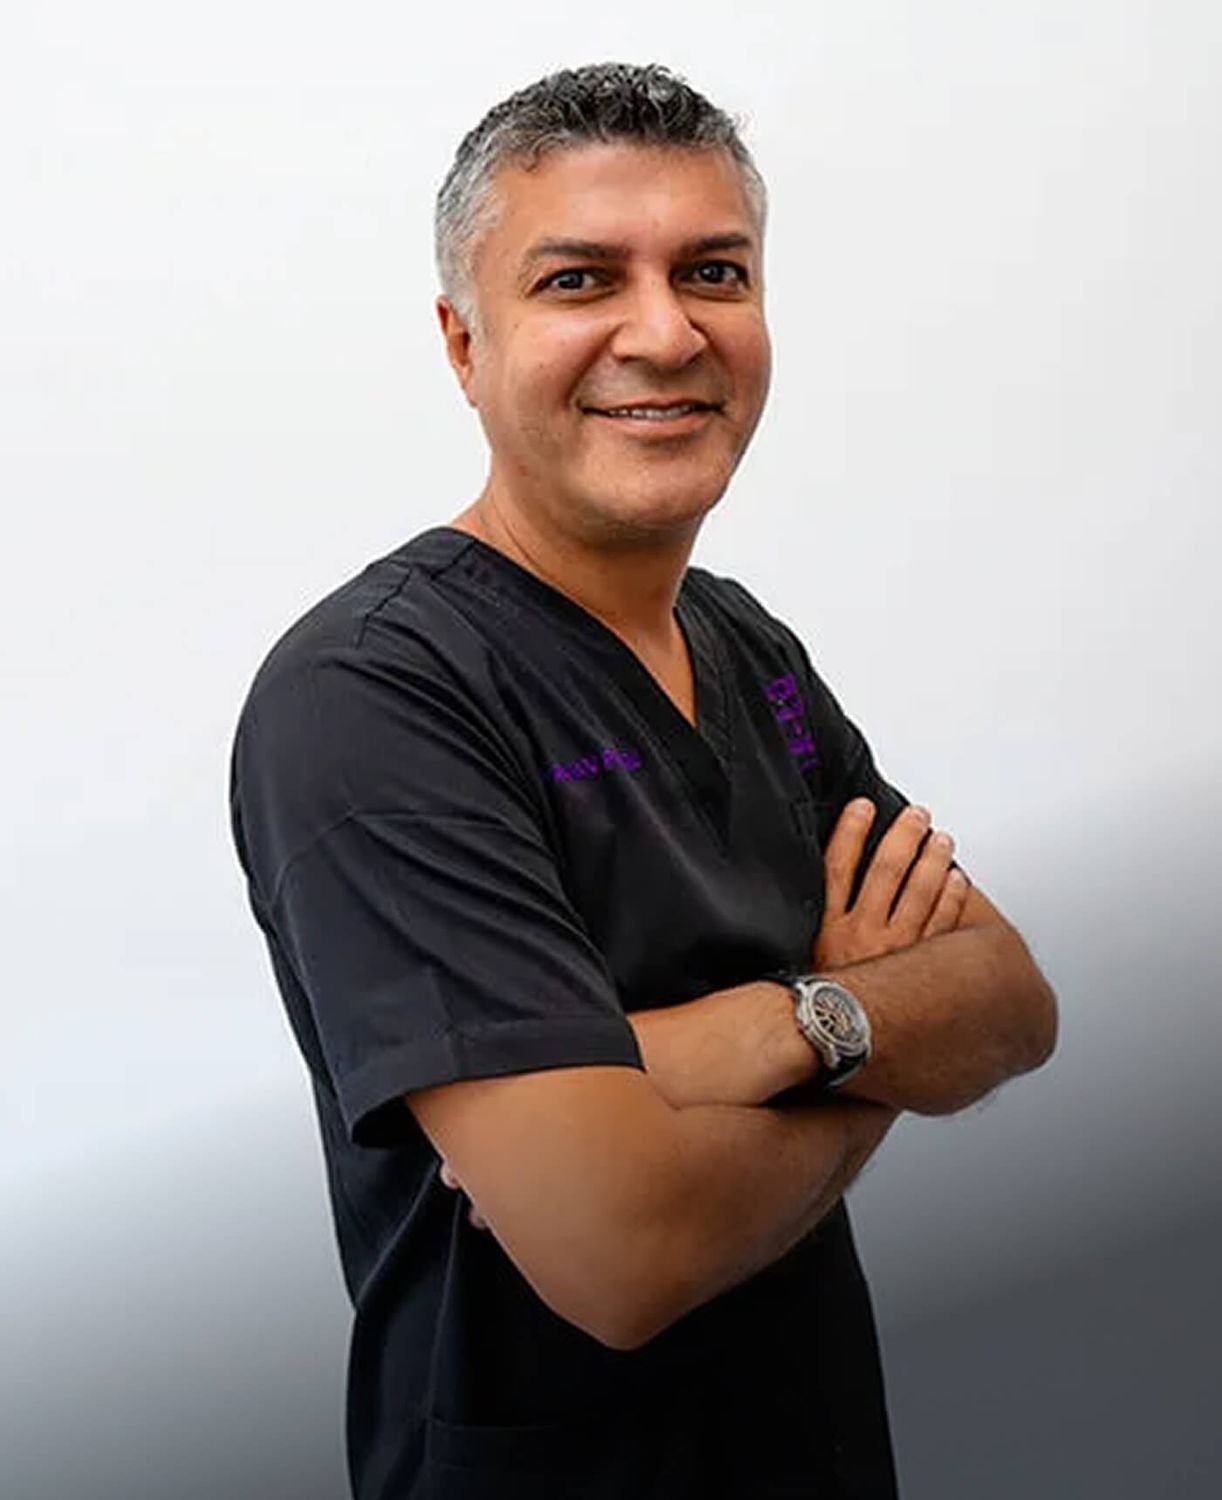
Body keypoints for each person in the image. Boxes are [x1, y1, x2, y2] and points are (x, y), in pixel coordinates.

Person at [228, 61, 1058, 1500]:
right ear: (461, 341)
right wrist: (863, 1042)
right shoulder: (375, 700)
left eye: (713, 271)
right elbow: (622, 1254)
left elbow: (1010, 1004)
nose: (664, 332)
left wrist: (759, 1036)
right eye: (578, 280)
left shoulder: (742, 644)